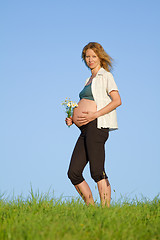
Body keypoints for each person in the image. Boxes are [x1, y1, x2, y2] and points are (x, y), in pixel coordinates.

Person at [65, 42, 122, 207]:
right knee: (73, 173)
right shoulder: (88, 79)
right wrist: (73, 118)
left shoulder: (106, 76)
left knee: (97, 171)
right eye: (87, 57)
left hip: (98, 126)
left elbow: (117, 101)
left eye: (93, 56)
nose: (90, 60)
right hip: (84, 129)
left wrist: (95, 114)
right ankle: (91, 209)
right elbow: (85, 103)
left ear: (100, 57)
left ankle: (105, 211)